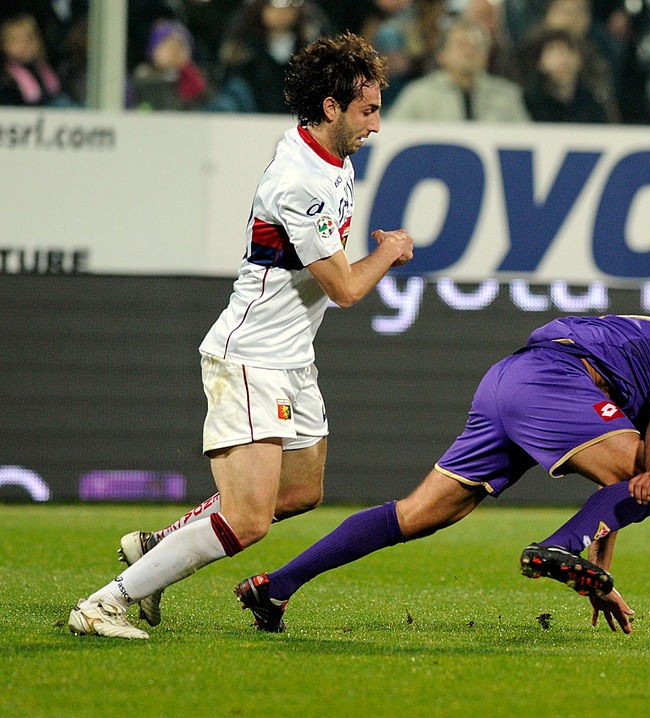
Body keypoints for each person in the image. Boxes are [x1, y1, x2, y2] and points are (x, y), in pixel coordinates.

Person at [67, 32, 415, 640]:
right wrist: (388, 251)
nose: (377, 124)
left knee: (302, 490)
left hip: (292, 358)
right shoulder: (298, 180)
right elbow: (345, 288)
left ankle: (156, 547)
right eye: (368, 109)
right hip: (251, 356)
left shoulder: (333, 159)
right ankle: (105, 603)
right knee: (249, 520)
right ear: (330, 107)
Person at [233, 315, 650, 635]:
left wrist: (599, 576)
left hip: (508, 382)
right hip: (555, 379)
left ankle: (274, 588)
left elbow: (617, 492)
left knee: (417, 515)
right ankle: (552, 547)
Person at [386, 16, 530, 122]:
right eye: (461, 45)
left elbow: (526, 140)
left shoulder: (507, 96)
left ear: (486, 56)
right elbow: (395, 133)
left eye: (477, 46)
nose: (469, 52)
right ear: (442, 55)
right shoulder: (419, 94)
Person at [522, 27, 615, 123]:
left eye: (570, 51)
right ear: (540, 62)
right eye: (555, 53)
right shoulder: (528, 101)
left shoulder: (595, 99)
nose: (564, 59)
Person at [130, 18, 209, 111]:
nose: (174, 52)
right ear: (153, 50)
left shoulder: (197, 83)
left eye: (181, 47)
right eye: (168, 46)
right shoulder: (138, 81)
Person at [0, 11, 70, 106]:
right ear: (4, 45)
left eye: (30, 37)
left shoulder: (46, 69)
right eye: (17, 39)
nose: (25, 44)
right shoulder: (5, 79)